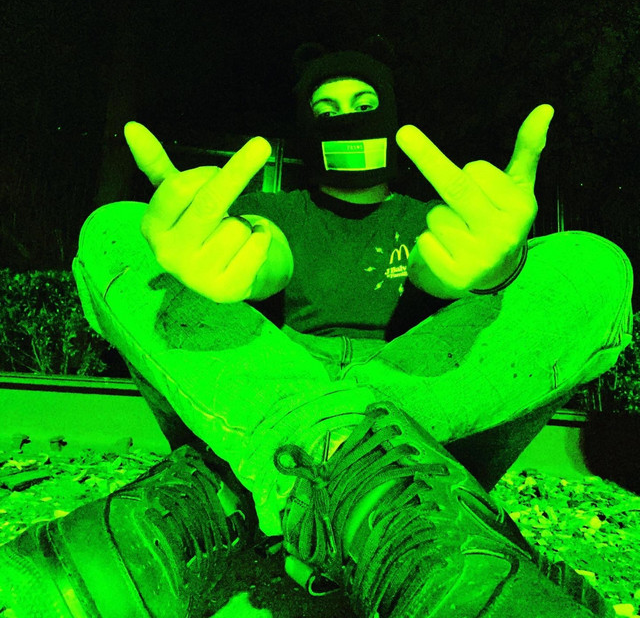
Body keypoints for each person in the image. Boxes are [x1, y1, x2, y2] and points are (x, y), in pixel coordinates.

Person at [1, 38, 632, 617]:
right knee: (115, 230)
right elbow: (265, 254)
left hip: (413, 415)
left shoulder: (437, 220)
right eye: (326, 109)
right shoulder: (271, 212)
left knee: (594, 266)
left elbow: (438, 267)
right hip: (265, 392)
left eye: (364, 105)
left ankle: (244, 494)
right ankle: (377, 508)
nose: (346, 119)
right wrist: (224, 264)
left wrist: (492, 272)